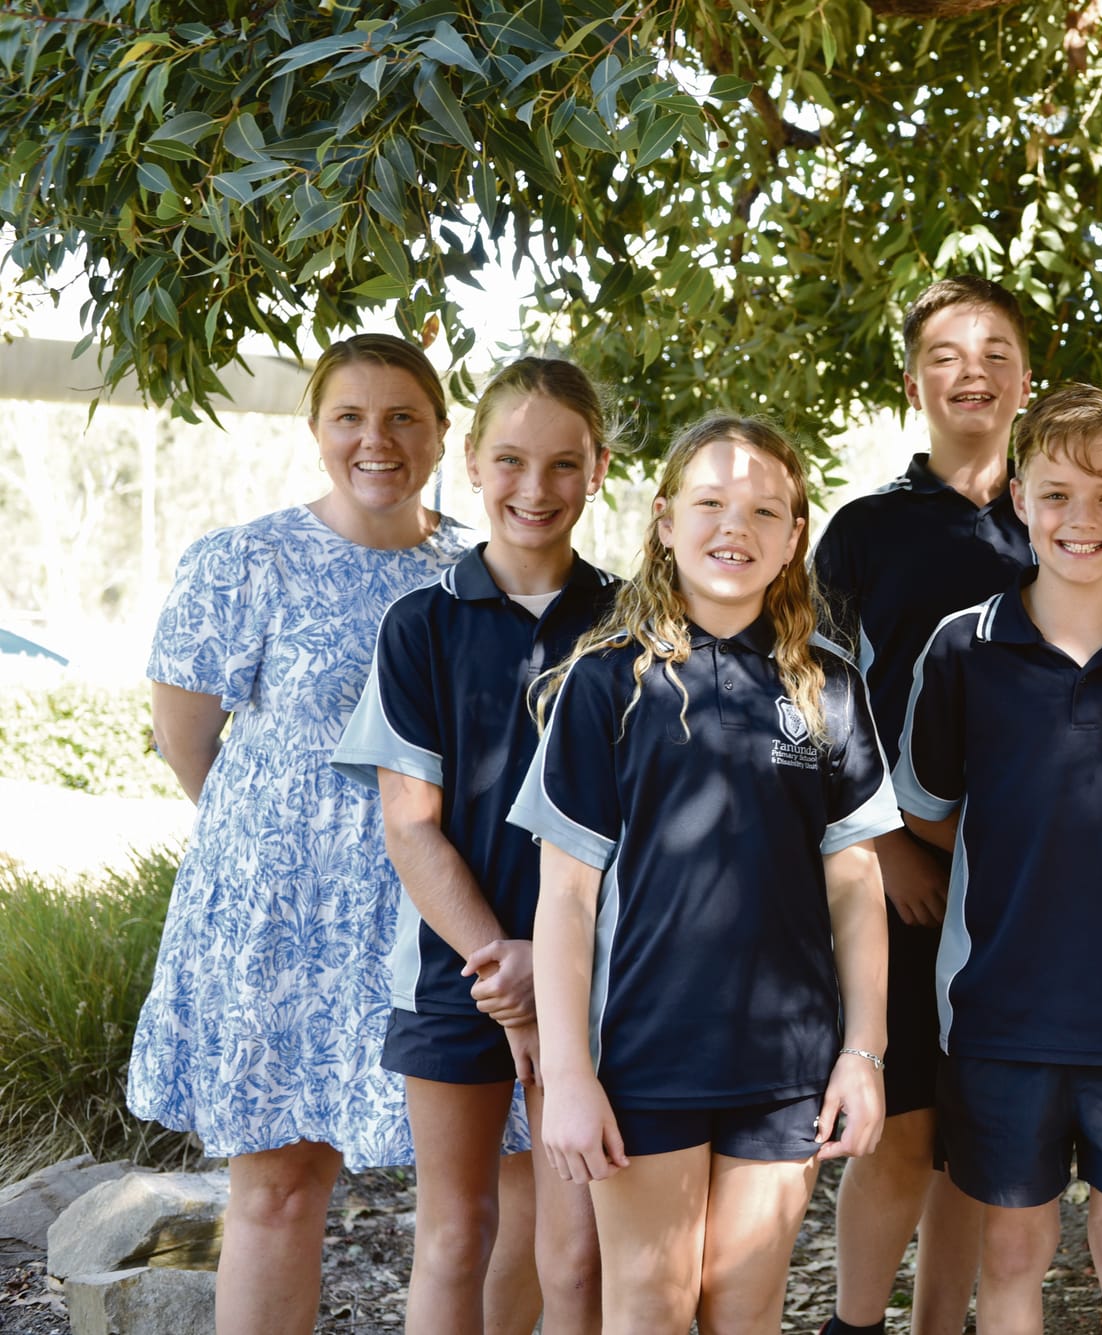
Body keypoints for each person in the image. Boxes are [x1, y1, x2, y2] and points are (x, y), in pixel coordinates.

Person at [512, 414, 897, 1334]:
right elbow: (565, 895)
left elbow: (856, 886)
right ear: (663, 520)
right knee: (648, 1300)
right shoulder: (606, 682)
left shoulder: (828, 686)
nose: (738, 526)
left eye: (767, 509)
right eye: (712, 503)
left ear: (795, 536)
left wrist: (863, 1054)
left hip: (785, 1058)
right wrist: (568, 1073)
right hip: (646, 1052)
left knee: (744, 1302)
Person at [132, 333, 477, 1335]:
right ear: (318, 432)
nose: (378, 440)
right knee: (279, 1187)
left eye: (403, 416)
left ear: (442, 431)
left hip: (431, 912)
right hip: (282, 918)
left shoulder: (471, 572)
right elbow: (186, 741)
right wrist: (293, 843)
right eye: (351, 418)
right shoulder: (245, 561)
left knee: (466, 1194)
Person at [894, 384, 1102, 1335]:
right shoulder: (963, 649)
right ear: (1021, 500)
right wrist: (1026, 846)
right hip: (1002, 1006)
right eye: (1058, 495)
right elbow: (927, 810)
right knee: (1012, 1250)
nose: (1084, 520)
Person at [332, 357, 619, 1334]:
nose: (533, 490)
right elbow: (410, 824)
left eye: (561, 465)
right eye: (509, 461)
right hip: (458, 975)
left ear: (599, 468)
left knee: (573, 1254)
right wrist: (499, 964)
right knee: (454, 1233)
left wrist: (553, 966)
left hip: (596, 980)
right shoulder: (422, 626)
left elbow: (648, 827)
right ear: (471, 461)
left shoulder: (632, 629)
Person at [813, 275, 1036, 1335]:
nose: (973, 370)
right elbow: (816, 699)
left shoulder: (1058, 523)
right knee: (900, 1136)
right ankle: (854, 1324)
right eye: (947, 353)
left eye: (996, 350)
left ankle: (937, 1324)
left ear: (1024, 381)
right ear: (913, 382)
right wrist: (890, 844)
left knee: (972, 1139)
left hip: (1019, 888)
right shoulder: (865, 533)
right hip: (900, 881)